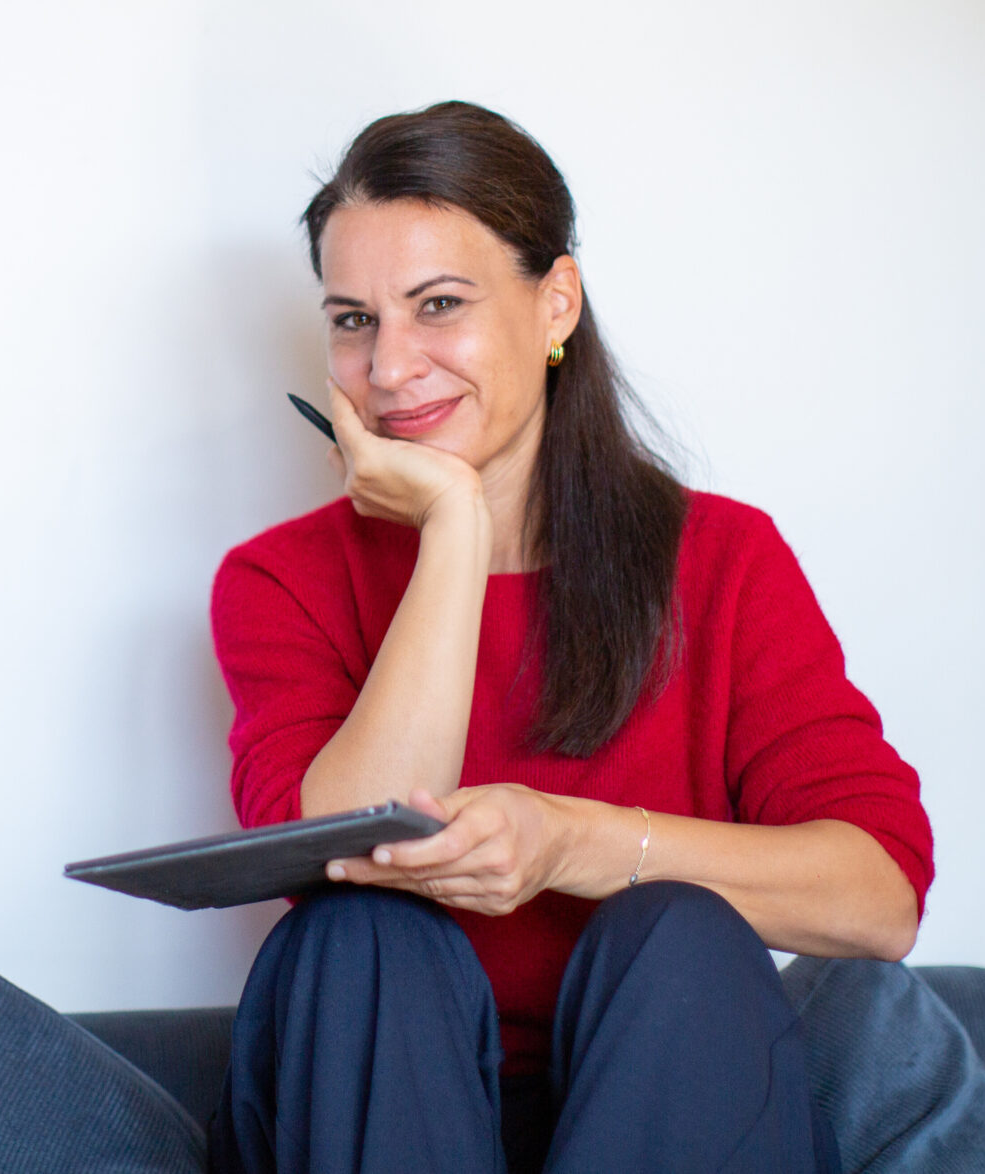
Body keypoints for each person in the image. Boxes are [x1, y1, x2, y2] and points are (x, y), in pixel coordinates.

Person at [205, 101, 934, 1174]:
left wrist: (573, 841)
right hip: (375, 1110)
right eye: (352, 319)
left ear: (555, 305)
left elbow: (878, 898)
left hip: (676, 1097)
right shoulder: (281, 580)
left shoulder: (719, 560)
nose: (391, 365)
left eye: (437, 305)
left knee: (676, 935)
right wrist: (455, 525)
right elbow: (362, 843)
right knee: (360, 929)